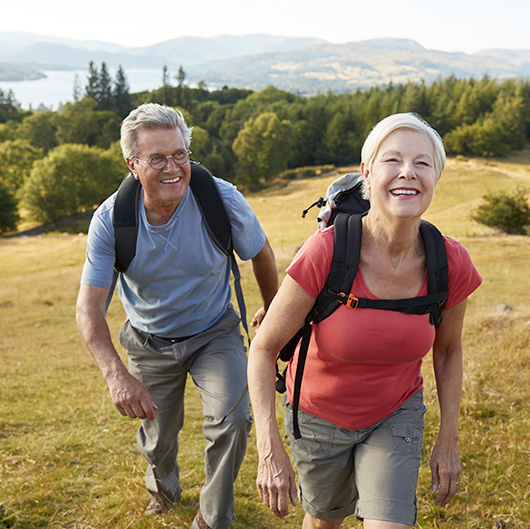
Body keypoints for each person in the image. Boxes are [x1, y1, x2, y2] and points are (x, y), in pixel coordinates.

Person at [248, 112, 482, 529]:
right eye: (392, 160)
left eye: (422, 163)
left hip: (396, 412)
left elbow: (447, 349)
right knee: (324, 521)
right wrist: (269, 449)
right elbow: (264, 347)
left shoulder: (450, 261)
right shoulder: (326, 251)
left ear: (436, 177)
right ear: (367, 174)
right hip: (319, 415)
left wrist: (449, 437)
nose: (408, 173)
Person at [76, 103, 278, 529]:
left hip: (214, 333)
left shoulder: (220, 198)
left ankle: (212, 517)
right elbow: (89, 307)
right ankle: (163, 489)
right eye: (157, 159)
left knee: (234, 419)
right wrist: (116, 375)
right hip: (148, 341)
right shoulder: (112, 220)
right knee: (158, 438)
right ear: (133, 165)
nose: (173, 168)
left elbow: (261, 255)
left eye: (180, 154)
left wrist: (273, 314)